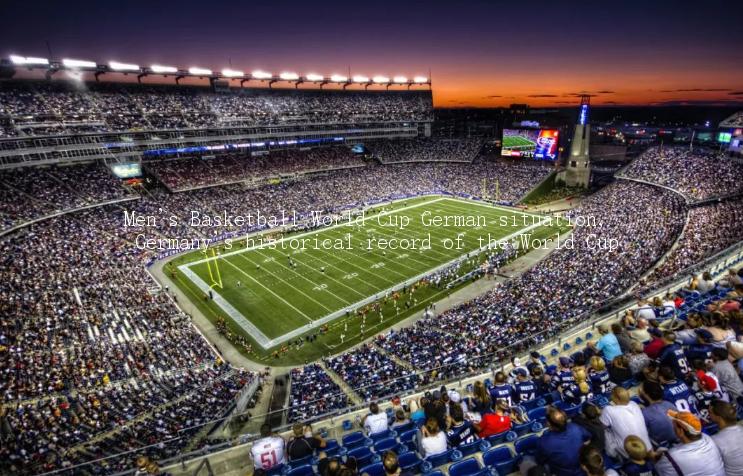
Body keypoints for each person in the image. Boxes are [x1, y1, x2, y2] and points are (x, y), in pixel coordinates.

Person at [653, 410, 725, 476]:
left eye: (674, 424)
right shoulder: (707, 438)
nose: (673, 426)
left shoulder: (672, 456)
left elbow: (660, 472)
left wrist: (656, 459)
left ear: (680, 431)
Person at [534, 406, 592, 476]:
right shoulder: (575, 427)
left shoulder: (544, 442)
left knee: (527, 460)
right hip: (581, 469)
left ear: (549, 424)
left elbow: (539, 461)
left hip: (561, 472)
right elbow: (588, 437)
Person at [600, 387, 652, 460]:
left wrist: (599, 413)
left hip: (628, 452)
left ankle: (614, 455)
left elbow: (601, 426)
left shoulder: (608, 409)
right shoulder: (634, 404)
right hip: (646, 448)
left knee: (605, 431)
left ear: (616, 398)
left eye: (612, 395)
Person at [709, 400, 743, 476]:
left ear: (718, 417)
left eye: (710, 412)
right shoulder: (741, 429)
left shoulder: (714, 440)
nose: (708, 415)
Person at [638, 381, 678, 446]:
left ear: (646, 394)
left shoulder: (645, 413)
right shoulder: (669, 404)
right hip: (680, 440)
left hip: (663, 447)